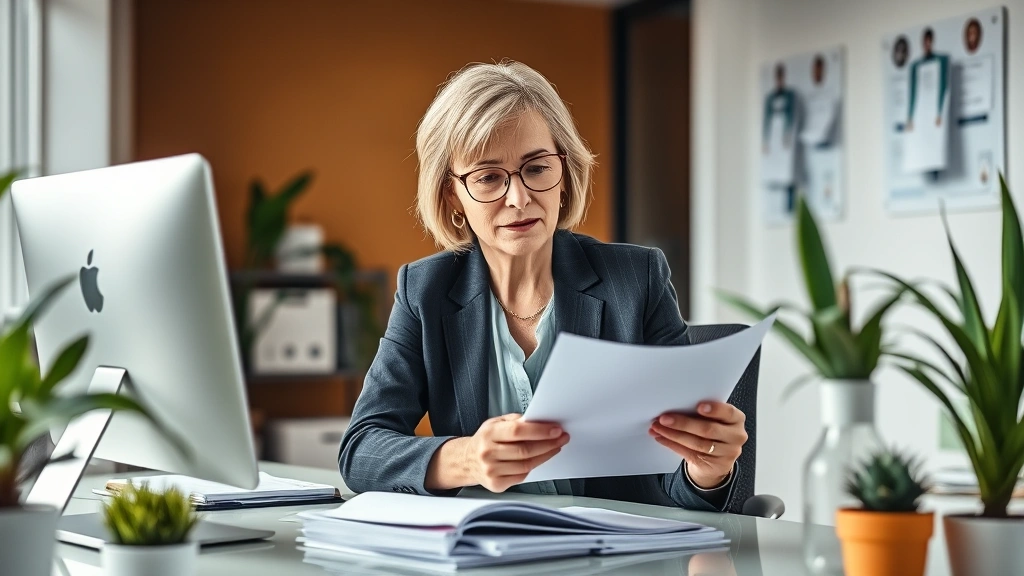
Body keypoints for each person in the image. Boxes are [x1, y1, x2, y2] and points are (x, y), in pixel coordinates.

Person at [338, 61, 748, 512]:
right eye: (489, 177)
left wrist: (707, 469)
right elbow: (361, 451)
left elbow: (675, 486)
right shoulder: (425, 291)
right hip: (490, 551)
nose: (519, 198)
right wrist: (468, 459)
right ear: (453, 194)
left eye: (536, 168)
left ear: (564, 172)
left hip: (615, 554)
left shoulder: (638, 278)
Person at [906, 28, 949, 131]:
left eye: (929, 42)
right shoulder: (916, 66)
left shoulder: (941, 61)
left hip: (934, 112)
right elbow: (913, 92)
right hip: (921, 112)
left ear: (932, 42)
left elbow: (943, 86)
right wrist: (910, 117)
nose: (927, 45)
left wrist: (940, 112)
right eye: (925, 42)